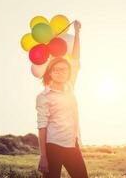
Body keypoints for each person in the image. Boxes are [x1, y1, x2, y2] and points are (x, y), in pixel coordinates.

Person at [36, 20, 89, 178]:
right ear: (49, 72)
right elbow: (42, 127)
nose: (61, 72)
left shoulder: (70, 87)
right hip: (53, 147)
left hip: (72, 145)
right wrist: (43, 156)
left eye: (64, 69)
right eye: (56, 69)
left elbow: (76, 59)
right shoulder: (43, 97)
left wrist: (77, 33)